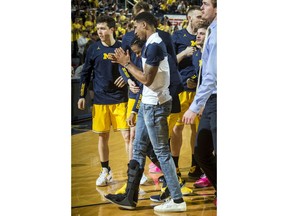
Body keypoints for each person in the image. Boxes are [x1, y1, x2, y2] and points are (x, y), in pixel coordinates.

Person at [105, 12, 186, 212]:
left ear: (144, 24)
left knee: (161, 153)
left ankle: (177, 200)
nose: (134, 31)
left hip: (156, 106)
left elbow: (146, 79)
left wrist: (126, 63)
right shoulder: (151, 44)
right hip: (147, 104)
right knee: (139, 148)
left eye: (135, 27)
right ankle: (129, 197)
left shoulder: (155, 44)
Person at [77, 15, 130, 187]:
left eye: (103, 28)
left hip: (120, 98)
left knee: (128, 136)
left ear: (112, 29)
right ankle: (105, 170)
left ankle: (133, 170)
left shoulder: (122, 46)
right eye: (98, 29)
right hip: (100, 99)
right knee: (103, 137)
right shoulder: (93, 48)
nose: (99, 32)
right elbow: (85, 73)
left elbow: (131, 67)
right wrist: (82, 95)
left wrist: (125, 76)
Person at [182, 0, 217, 205]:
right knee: (201, 151)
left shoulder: (218, 33)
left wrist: (195, 106)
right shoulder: (212, 30)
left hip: (216, 98)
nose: (202, 7)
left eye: (205, 4)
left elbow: (211, 76)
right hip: (211, 98)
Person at [171, 5, 204, 179]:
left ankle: (195, 165)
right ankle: (174, 166)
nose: (201, 18)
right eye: (198, 16)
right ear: (189, 18)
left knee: (197, 131)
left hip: (199, 92)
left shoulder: (206, 35)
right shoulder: (176, 36)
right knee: (177, 129)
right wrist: (184, 53)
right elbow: (169, 62)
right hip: (180, 90)